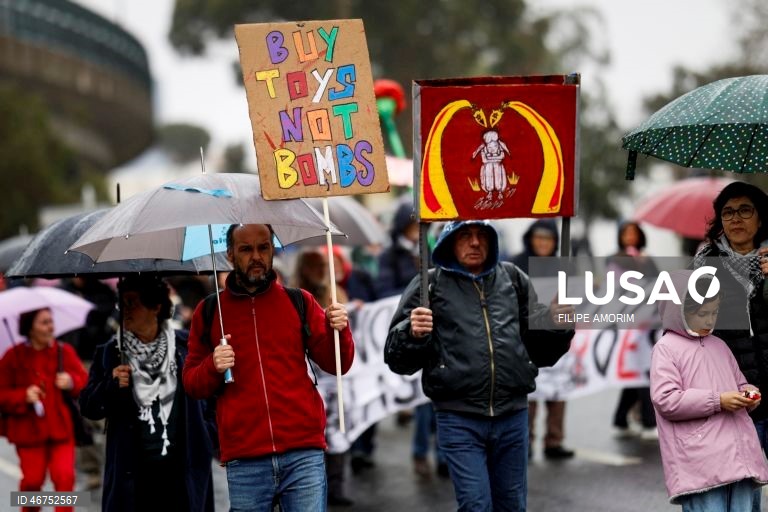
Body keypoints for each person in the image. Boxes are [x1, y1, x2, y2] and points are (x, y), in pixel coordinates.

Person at [385, 220, 574, 511]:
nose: (475, 243)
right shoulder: (429, 284)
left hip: (513, 416)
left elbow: (542, 353)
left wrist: (557, 323)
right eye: (465, 236)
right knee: (476, 505)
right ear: (449, 241)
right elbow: (397, 359)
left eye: (481, 235)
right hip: (459, 419)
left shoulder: (513, 278)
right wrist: (413, 333)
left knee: (512, 505)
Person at [183, 223, 354, 511]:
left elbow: (338, 364)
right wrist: (212, 365)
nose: (257, 256)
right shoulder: (210, 311)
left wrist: (340, 330)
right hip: (245, 457)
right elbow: (191, 383)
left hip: (303, 451)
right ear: (230, 255)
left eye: (264, 247)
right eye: (246, 249)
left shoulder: (298, 301)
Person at [79, 276, 215, 512]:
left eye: (132, 303)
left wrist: (207, 435)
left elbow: (212, 396)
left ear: (156, 307)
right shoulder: (110, 352)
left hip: (181, 474)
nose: (125, 310)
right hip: (133, 477)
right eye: (122, 303)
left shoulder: (187, 347)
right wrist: (111, 385)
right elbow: (89, 406)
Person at [650, 271, 768, 510]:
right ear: (678, 309)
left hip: (738, 455)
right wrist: (718, 400)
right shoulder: (666, 349)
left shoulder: (720, 345)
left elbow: (739, 383)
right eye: (701, 313)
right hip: (701, 462)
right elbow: (666, 400)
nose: (709, 321)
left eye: (714, 313)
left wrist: (748, 394)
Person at [692, 181, 768, 512]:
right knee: (745, 491)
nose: (735, 218)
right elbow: (694, 327)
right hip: (738, 398)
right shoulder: (705, 263)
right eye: (727, 212)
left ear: (761, 218)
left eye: (745, 210)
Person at [0, 308, 88, 512]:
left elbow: (85, 382)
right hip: (27, 432)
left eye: (51, 321)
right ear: (30, 328)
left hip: (62, 429)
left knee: (65, 478)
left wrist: (71, 381)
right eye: (44, 322)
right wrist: (22, 396)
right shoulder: (13, 356)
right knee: (31, 483)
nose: (51, 327)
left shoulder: (63, 351)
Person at [511, 219, 575, 460]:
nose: (543, 243)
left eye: (547, 239)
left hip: (556, 336)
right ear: (530, 239)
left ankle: (554, 441)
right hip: (526, 338)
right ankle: (524, 442)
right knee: (529, 395)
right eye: (538, 238)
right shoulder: (516, 265)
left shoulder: (564, 266)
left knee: (558, 392)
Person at [606, 221, 659, 440]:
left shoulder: (648, 259)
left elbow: (657, 284)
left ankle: (620, 419)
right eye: (626, 233)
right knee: (642, 371)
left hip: (647, 321)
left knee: (638, 370)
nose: (630, 237)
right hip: (629, 323)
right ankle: (648, 422)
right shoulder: (615, 259)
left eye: (634, 233)